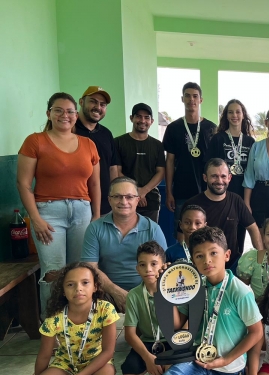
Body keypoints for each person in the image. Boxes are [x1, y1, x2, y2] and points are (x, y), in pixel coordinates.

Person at [155, 227, 263, 375]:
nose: (207, 260)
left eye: (213, 253)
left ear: (227, 255)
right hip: (198, 356)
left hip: (228, 364)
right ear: (193, 260)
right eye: (200, 256)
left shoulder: (240, 292)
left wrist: (226, 360)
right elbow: (177, 324)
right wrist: (163, 291)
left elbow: (256, 332)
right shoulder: (195, 287)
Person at [17, 92, 101, 313]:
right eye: (59, 110)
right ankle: (52, 326)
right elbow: (23, 184)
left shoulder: (88, 144)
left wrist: (96, 216)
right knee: (53, 273)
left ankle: (80, 323)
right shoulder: (35, 141)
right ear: (49, 113)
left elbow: (95, 185)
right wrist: (35, 219)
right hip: (48, 213)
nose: (65, 115)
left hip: (82, 211)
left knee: (79, 272)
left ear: (76, 114)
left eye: (70, 111)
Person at [21, 262, 119, 375]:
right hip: (65, 363)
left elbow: (108, 352)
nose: (78, 288)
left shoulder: (105, 310)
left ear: (95, 287)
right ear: (63, 291)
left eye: (85, 283)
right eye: (70, 284)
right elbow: (44, 357)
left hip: (97, 360)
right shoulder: (54, 318)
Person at [81, 177, 168, 312]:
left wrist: (141, 294)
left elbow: (163, 268)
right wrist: (116, 292)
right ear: (109, 200)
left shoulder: (153, 229)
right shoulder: (95, 228)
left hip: (147, 292)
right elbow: (89, 268)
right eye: (117, 197)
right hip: (106, 293)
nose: (123, 202)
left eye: (129, 197)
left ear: (137, 200)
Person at [182, 158, 263, 271]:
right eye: (214, 176)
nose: (219, 181)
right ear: (205, 178)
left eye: (223, 176)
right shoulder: (192, 204)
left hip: (233, 265)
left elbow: (253, 228)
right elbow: (182, 236)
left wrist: (261, 259)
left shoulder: (236, 200)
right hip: (203, 267)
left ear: (229, 178)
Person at [163, 82, 217, 231]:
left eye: (195, 96)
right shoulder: (173, 128)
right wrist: (169, 192)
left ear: (201, 100)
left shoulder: (212, 128)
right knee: (183, 233)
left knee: (207, 232)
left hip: (207, 191)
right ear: (182, 99)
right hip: (181, 191)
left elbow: (217, 163)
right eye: (187, 96)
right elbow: (170, 161)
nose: (191, 100)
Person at [121, 241, 172, 375]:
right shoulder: (134, 295)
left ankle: (164, 373)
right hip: (149, 342)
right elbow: (130, 335)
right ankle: (156, 368)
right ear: (137, 269)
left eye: (154, 264)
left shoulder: (173, 289)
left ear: (164, 265)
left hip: (172, 341)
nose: (148, 269)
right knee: (129, 374)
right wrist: (148, 358)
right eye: (142, 265)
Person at [114, 103, 166, 222]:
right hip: (124, 200)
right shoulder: (118, 142)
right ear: (131, 118)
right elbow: (117, 171)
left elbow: (160, 172)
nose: (142, 120)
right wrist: (135, 191)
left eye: (146, 117)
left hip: (150, 200)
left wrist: (144, 191)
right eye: (138, 116)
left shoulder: (157, 145)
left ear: (152, 121)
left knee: (149, 238)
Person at [74, 86, 117, 216]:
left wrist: (115, 196)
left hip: (105, 206)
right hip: (76, 205)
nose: (98, 107)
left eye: (102, 104)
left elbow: (112, 168)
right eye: (93, 101)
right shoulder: (70, 130)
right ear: (81, 102)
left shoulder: (106, 133)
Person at [207, 99, 255, 198]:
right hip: (222, 193)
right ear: (226, 116)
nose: (234, 115)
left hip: (244, 194)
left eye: (238, 112)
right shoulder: (218, 139)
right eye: (230, 112)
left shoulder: (250, 142)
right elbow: (209, 168)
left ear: (243, 115)